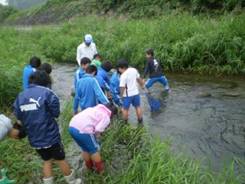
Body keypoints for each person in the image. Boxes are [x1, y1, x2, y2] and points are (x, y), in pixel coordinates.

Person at [13, 71, 81, 184]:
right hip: (50, 137)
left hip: (34, 139)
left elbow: (19, 117)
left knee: (46, 160)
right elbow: (56, 113)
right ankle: (73, 181)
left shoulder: (20, 96)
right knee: (60, 159)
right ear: (46, 81)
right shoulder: (48, 93)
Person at [69, 103, 117, 174]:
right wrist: (97, 137)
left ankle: (89, 168)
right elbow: (98, 129)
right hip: (84, 130)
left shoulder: (93, 109)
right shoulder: (106, 117)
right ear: (112, 113)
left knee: (85, 148)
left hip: (72, 127)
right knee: (94, 150)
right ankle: (101, 171)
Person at [117, 59, 145, 124]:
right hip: (136, 93)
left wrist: (121, 96)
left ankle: (125, 123)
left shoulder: (123, 75)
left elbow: (122, 87)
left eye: (119, 68)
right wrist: (142, 85)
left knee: (125, 109)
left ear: (122, 68)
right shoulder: (134, 70)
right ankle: (140, 121)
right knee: (138, 107)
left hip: (127, 95)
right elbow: (139, 79)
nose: (118, 70)